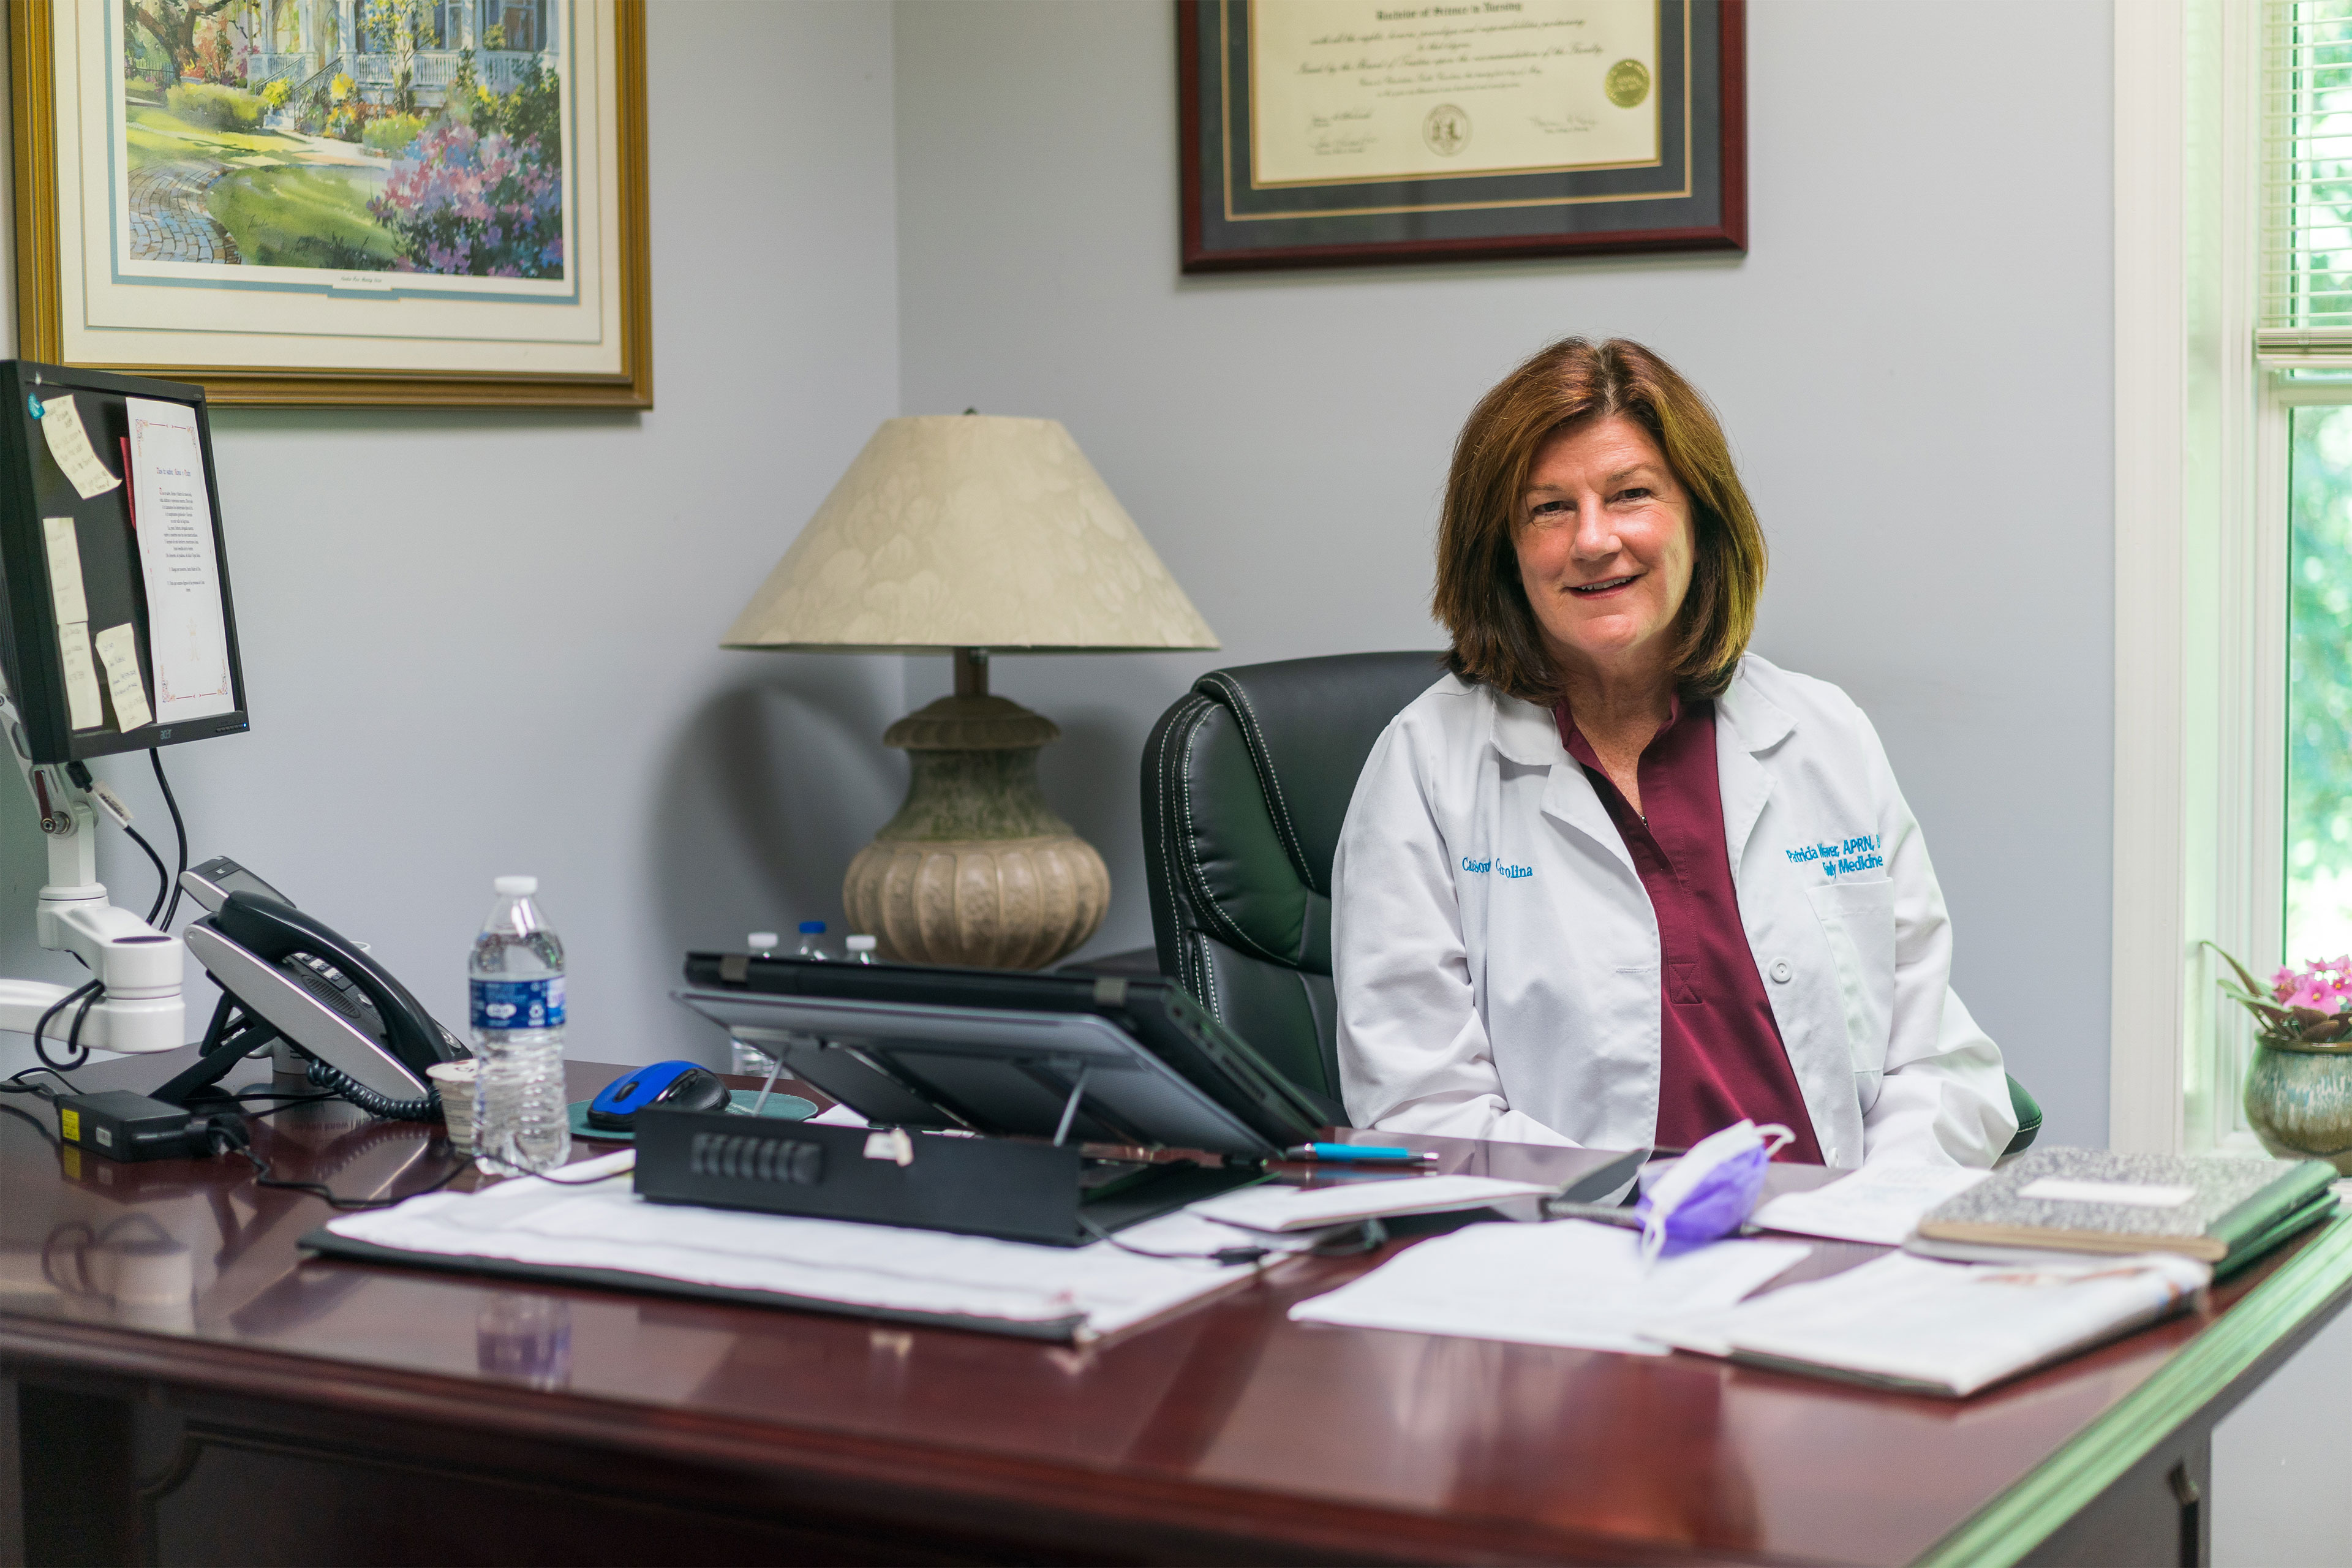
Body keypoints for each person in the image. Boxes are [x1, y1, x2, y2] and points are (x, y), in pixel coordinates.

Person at [1331, 339, 2015, 1168]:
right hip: (1577, 1257)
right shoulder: (1425, 767)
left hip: (1837, 1254)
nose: (1592, 540)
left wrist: (1870, 1216)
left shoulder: (1823, 735)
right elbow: (1423, 1109)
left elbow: (1937, 1063)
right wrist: (1626, 1220)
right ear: (1503, 549)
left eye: (1630, 495)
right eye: (1548, 508)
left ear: (1700, 517)